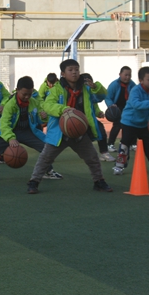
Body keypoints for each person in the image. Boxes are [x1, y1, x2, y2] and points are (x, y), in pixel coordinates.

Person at [26, 59, 112, 195]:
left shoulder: (87, 87)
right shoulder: (56, 89)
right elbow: (47, 105)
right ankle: (33, 182)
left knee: (92, 158)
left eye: (76, 70)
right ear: (63, 74)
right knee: (45, 158)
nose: (74, 72)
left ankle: (99, 181)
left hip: (79, 130)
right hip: (60, 132)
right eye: (70, 70)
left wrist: (96, 87)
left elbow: (101, 96)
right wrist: (64, 109)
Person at [0, 76, 60, 183]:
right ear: (17, 91)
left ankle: (48, 171)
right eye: (24, 94)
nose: (27, 97)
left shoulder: (34, 102)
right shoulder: (10, 104)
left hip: (27, 132)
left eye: (29, 94)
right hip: (10, 131)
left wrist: (44, 116)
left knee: (46, 147)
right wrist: (10, 138)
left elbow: (39, 120)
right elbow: (4, 124)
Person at [113, 66, 149, 176]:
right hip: (129, 122)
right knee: (125, 145)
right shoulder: (135, 90)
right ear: (141, 80)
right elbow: (136, 104)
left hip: (144, 123)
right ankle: (119, 167)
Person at [82, 73, 114, 161]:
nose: (87, 83)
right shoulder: (76, 92)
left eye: (89, 81)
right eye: (85, 81)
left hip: (90, 120)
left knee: (101, 132)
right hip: (77, 120)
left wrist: (98, 112)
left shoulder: (91, 92)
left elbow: (95, 103)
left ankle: (104, 153)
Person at [104, 66, 135, 151]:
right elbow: (107, 97)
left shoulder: (132, 85)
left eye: (129, 75)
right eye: (125, 75)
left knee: (133, 125)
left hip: (128, 108)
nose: (127, 77)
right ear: (120, 74)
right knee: (117, 125)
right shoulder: (114, 84)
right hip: (117, 108)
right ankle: (110, 144)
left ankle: (132, 144)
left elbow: (136, 97)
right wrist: (111, 105)